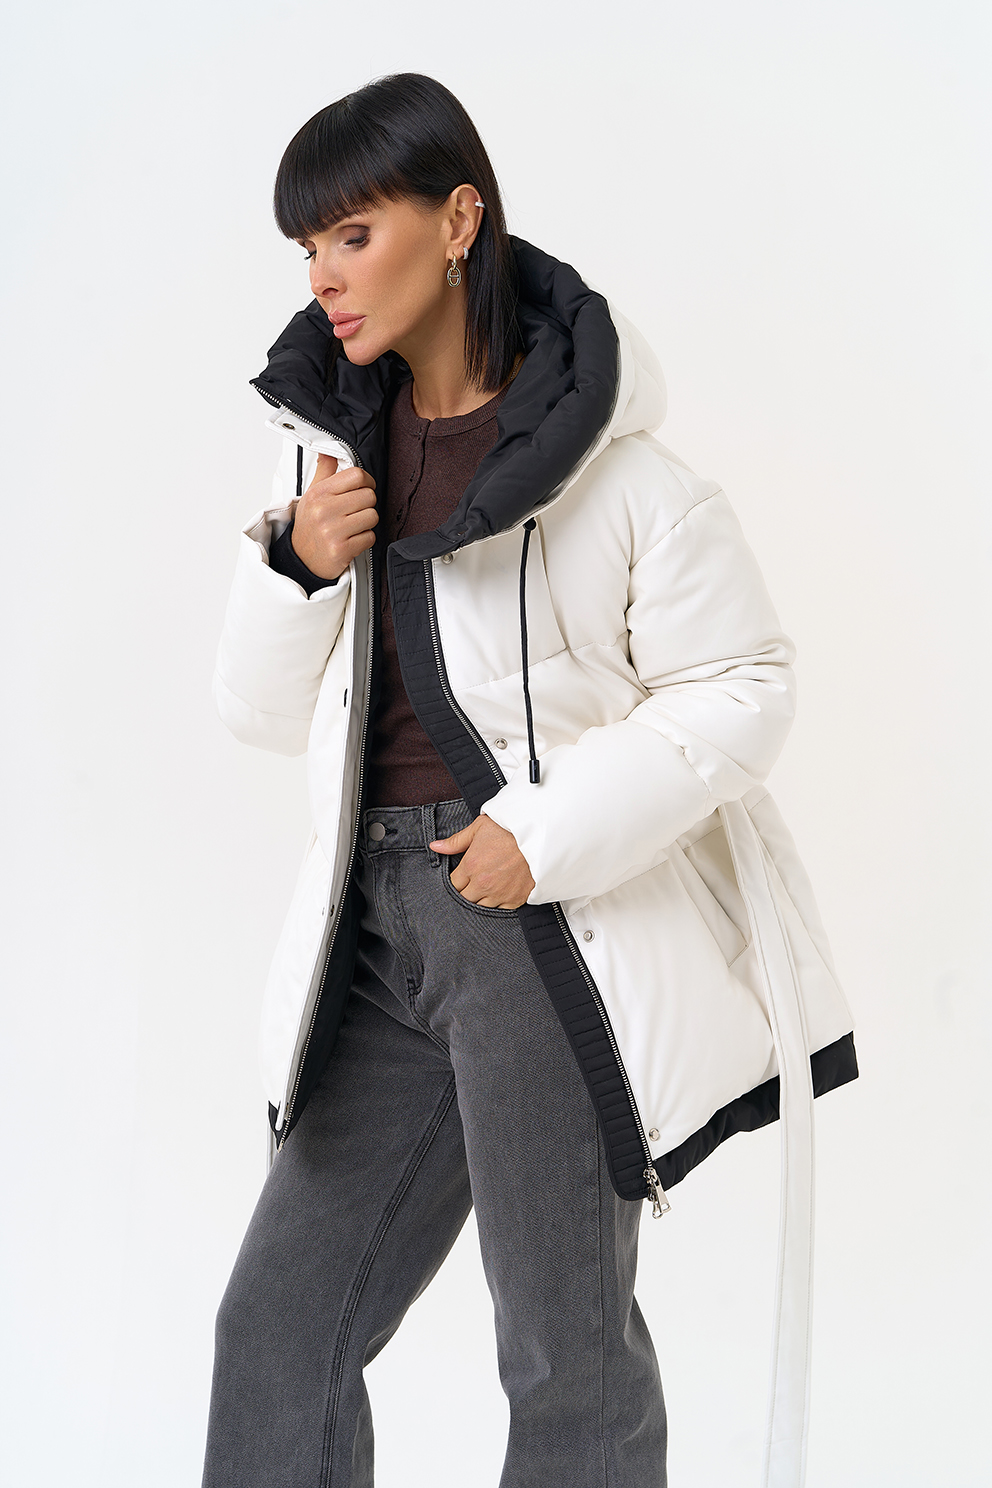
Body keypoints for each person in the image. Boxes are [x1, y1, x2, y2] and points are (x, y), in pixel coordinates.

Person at [202, 72, 857, 1488]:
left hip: (531, 923)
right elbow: (256, 715)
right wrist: (294, 566)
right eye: (307, 249)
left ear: (458, 222)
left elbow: (746, 686)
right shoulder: (331, 457)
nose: (323, 280)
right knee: (275, 1332)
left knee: (564, 1359)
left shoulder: (619, 476)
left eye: (353, 236)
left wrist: (540, 838)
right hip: (370, 935)